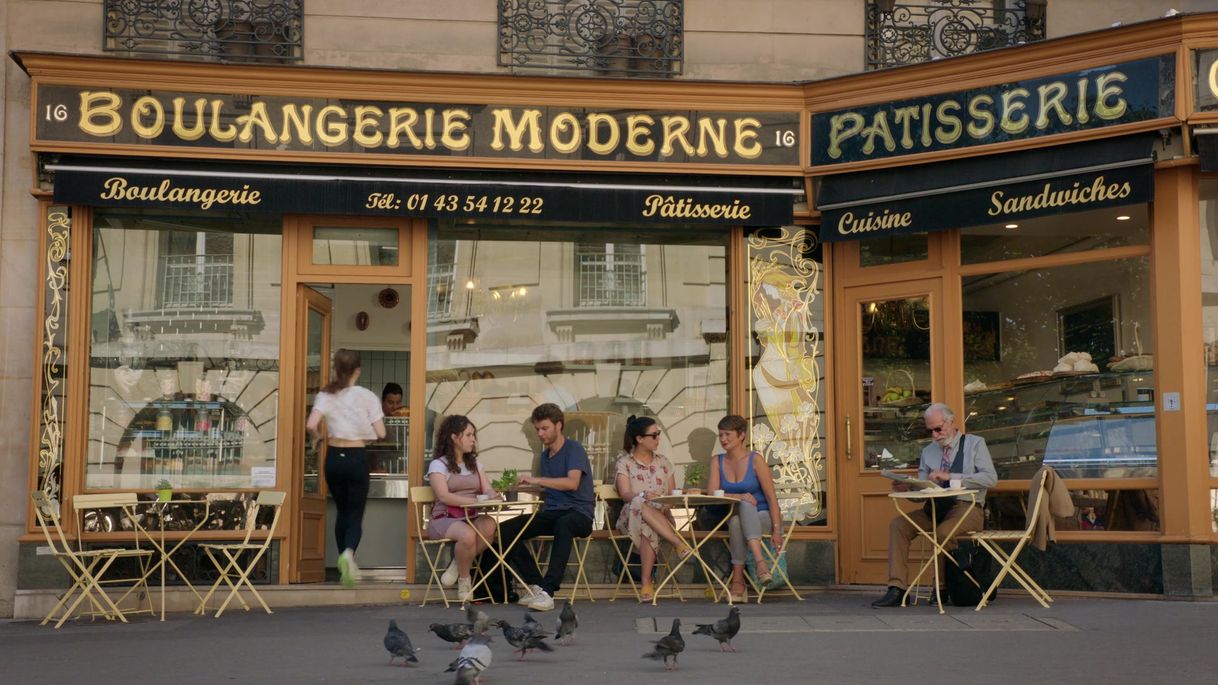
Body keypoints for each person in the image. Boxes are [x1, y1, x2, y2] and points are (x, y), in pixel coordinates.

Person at [872, 402, 997, 608]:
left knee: (943, 532)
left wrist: (951, 476)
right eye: (930, 430)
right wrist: (907, 488)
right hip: (935, 508)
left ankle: (941, 587)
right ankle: (897, 589)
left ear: (951, 422)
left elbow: (990, 479)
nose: (935, 435)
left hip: (967, 507)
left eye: (938, 429)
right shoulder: (929, 452)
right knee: (898, 525)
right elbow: (923, 492)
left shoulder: (975, 444)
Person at [496, 403, 595, 611]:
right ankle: (536, 585)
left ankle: (548, 592)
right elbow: (548, 489)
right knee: (504, 530)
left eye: (544, 428)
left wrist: (537, 479)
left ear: (558, 425)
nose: (540, 434)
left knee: (564, 524)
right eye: (537, 429)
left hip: (579, 515)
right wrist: (523, 487)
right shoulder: (544, 456)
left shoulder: (573, 449)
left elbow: (572, 483)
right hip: (553, 513)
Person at [305, 349, 385, 588]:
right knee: (355, 513)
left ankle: (343, 564)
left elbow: (311, 424)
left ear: (336, 370)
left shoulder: (326, 394)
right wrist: (366, 434)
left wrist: (319, 436)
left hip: (333, 458)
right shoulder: (367, 396)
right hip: (356, 457)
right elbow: (381, 433)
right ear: (358, 371)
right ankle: (348, 553)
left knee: (341, 510)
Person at [613, 415, 693, 602]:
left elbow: (672, 496)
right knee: (640, 504)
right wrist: (643, 496)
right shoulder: (624, 462)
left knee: (647, 525)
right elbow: (625, 494)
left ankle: (646, 582)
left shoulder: (664, 462)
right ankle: (677, 543)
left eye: (658, 435)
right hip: (630, 516)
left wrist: (664, 502)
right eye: (654, 435)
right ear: (640, 439)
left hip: (661, 518)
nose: (658, 439)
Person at [707, 414, 781, 603]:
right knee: (737, 518)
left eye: (727, 435)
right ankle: (760, 565)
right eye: (720, 435)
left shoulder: (756, 460)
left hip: (762, 517)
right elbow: (711, 493)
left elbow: (772, 498)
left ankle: (738, 582)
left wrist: (777, 529)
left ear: (741, 436)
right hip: (733, 518)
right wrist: (739, 496)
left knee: (742, 513)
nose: (723, 439)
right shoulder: (717, 461)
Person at [426, 415, 499, 602]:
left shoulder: (475, 464)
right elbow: (444, 496)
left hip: (471, 516)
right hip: (445, 518)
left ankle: (456, 565)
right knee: (468, 535)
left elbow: (487, 489)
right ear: (454, 438)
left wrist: (493, 496)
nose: (473, 439)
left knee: (490, 525)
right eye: (468, 435)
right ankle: (465, 581)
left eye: (473, 435)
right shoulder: (438, 465)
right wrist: (474, 502)